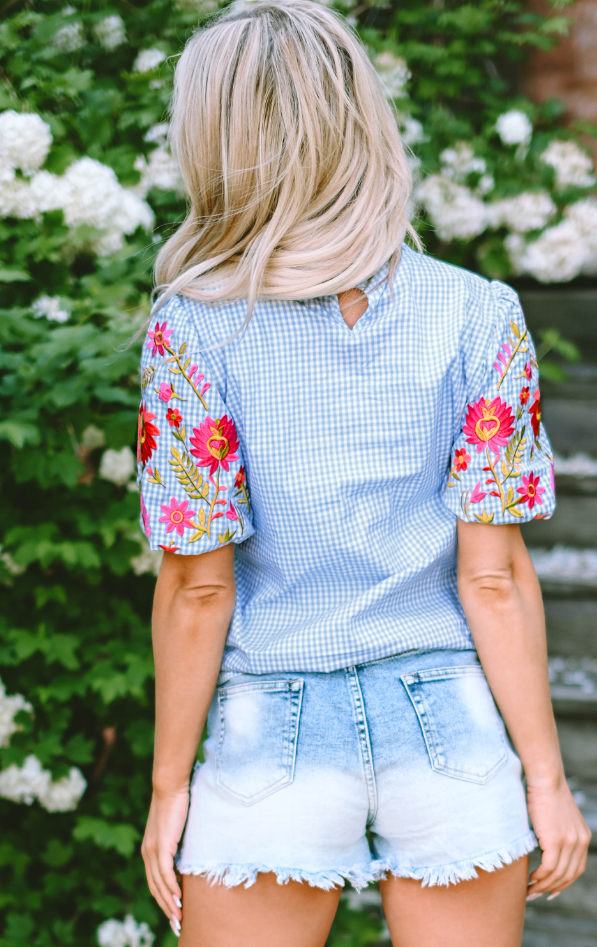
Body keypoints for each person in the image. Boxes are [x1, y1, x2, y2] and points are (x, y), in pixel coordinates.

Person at [136, 3, 591, 944]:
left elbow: (197, 587)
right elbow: (494, 577)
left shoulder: (192, 328)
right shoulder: (480, 313)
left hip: (271, 724)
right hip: (453, 721)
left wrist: (168, 786)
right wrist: (544, 778)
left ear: (214, 138)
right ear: (361, 119)